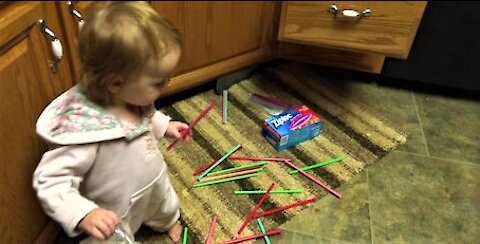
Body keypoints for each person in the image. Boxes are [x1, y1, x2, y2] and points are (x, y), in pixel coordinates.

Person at [33, 2, 189, 243]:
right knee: (111, 238)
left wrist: (164, 126)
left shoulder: (131, 96)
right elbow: (50, 180)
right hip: (114, 210)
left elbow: (147, 116)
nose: (166, 85)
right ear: (116, 84)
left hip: (153, 183)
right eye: (158, 82)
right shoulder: (85, 131)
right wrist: (85, 213)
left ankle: (167, 221)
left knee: (165, 204)